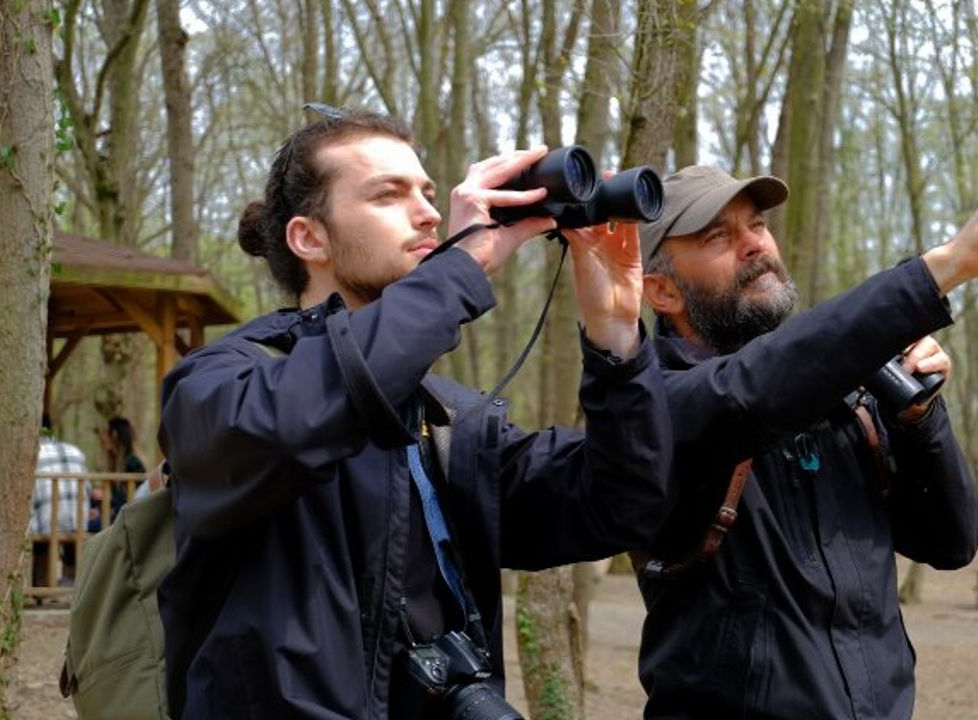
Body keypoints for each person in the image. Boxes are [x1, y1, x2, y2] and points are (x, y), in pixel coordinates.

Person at [156, 109, 672, 719]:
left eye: (427, 192)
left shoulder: (446, 420)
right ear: (308, 238)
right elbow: (294, 421)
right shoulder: (218, 382)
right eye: (388, 194)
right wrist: (464, 265)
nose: (428, 213)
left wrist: (615, 338)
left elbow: (619, 504)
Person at [569, 154, 978, 719]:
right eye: (718, 236)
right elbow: (748, 391)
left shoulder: (846, 396)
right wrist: (948, 265)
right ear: (662, 292)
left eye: (757, 224)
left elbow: (951, 542)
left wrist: (920, 418)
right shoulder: (651, 408)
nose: (755, 244)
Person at [30, 414, 90, 586]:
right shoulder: (75, 451)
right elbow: (87, 488)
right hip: (78, 524)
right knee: (67, 519)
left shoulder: (31, 454)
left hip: (45, 526)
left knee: (36, 523)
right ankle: (70, 583)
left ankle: (40, 587)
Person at [93, 416, 145, 524]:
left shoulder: (133, 463)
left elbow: (132, 500)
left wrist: (107, 498)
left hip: (127, 520)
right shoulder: (115, 464)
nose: (102, 437)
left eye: (106, 432)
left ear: (115, 436)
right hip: (116, 517)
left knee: (86, 525)